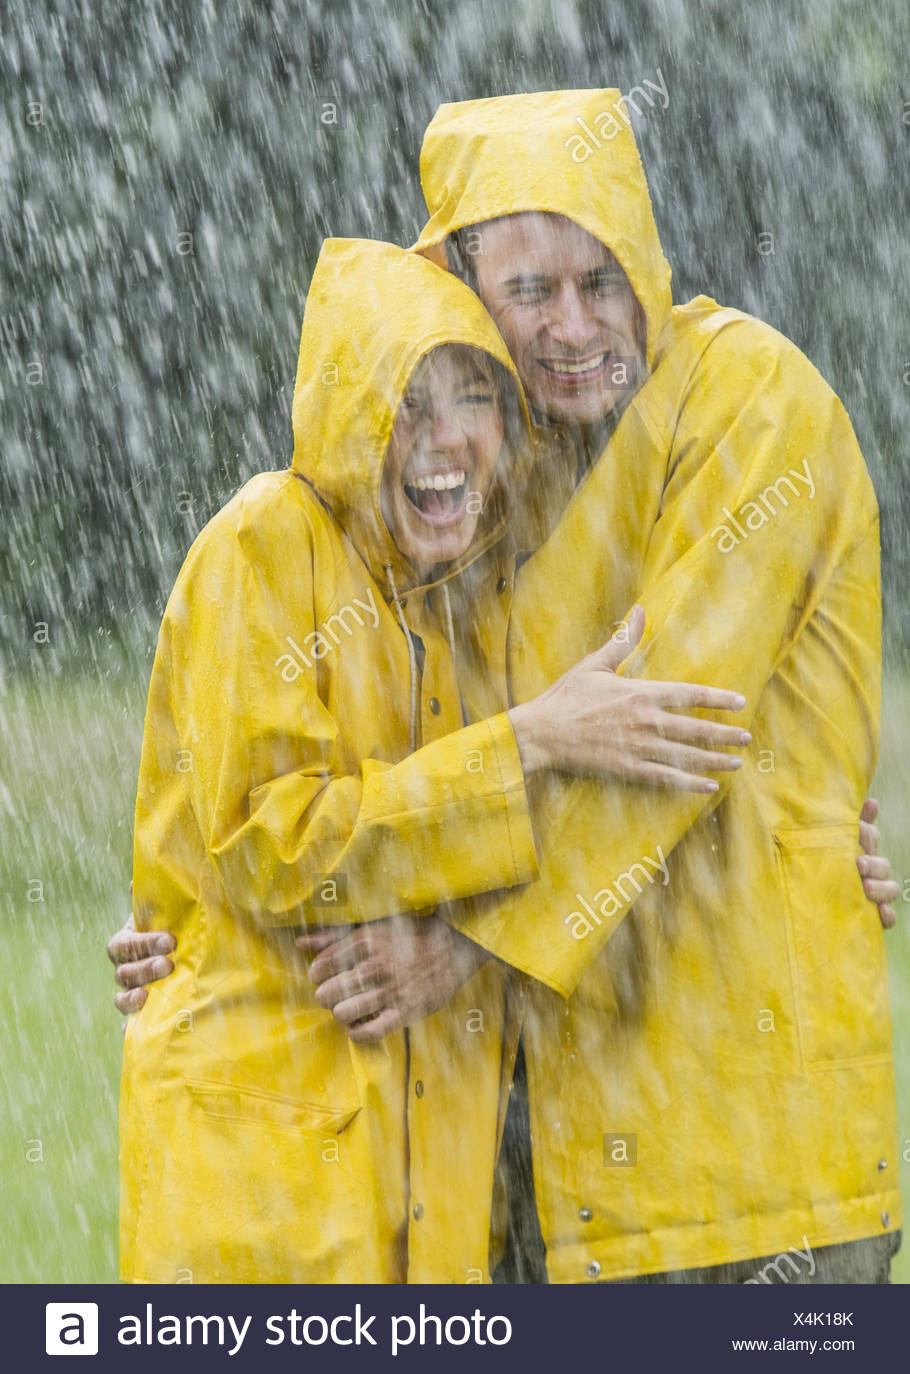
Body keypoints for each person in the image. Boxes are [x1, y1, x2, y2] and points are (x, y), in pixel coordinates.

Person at [112, 90, 902, 1284]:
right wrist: (203, 928)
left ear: (646, 263)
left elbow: (662, 748)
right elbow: (374, 772)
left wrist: (458, 950)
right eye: (529, 293)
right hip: (540, 1181)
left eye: (601, 278)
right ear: (460, 297)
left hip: (753, 1179)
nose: (574, 324)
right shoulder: (473, 494)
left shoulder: (751, 399)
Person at [119, 235, 748, 1284]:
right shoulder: (263, 542)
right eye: (407, 402)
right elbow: (275, 846)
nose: (444, 440)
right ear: (345, 415)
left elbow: (601, 819)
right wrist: (530, 739)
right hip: (263, 1205)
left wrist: (805, 835)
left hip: (426, 1210)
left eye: (475, 400)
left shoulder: (476, 597)